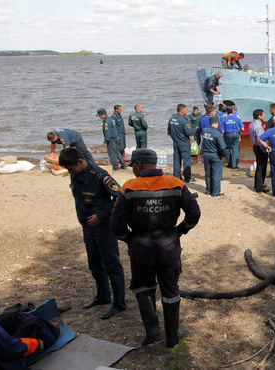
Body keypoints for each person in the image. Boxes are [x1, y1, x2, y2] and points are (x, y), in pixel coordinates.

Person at [110, 148, 201, 347]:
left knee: (143, 287)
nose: (133, 168)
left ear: (140, 165)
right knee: (170, 289)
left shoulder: (129, 187)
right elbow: (194, 214)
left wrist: (129, 239)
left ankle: (152, 332)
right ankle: (171, 336)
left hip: (141, 245)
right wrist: (180, 230)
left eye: (133, 165)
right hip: (168, 244)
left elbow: (116, 224)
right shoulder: (175, 183)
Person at [58, 147, 127, 320]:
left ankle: (119, 303)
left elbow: (119, 196)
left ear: (80, 162)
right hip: (87, 227)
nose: (70, 172)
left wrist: (101, 215)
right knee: (95, 265)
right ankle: (103, 296)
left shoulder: (99, 175)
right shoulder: (76, 174)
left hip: (103, 227)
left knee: (112, 265)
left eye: (71, 168)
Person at [167, 104, 196, 183]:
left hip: (175, 142)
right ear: (181, 110)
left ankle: (177, 176)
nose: (187, 111)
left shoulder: (172, 118)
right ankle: (187, 177)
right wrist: (195, 129)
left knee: (176, 160)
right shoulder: (183, 120)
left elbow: (169, 131)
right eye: (186, 110)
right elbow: (188, 132)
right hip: (183, 142)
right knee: (186, 160)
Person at [200, 115, 228, 197]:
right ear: (216, 123)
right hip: (215, 155)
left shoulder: (205, 131)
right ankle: (215, 192)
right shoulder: (218, 134)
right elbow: (222, 147)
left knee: (208, 173)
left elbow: (203, 143)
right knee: (216, 174)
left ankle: (208, 190)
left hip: (206, 154)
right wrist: (225, 154)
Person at [249, 109, 270, 193]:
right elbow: (261, 139)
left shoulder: (252, 124)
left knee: (259, 166)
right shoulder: (258, 126)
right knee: (262, 167)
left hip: (255, 146)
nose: (264, 116)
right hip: (260, 147)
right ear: (259, 116)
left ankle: (258, 184)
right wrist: (266, 148)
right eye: (263, 114)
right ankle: (259, 187)